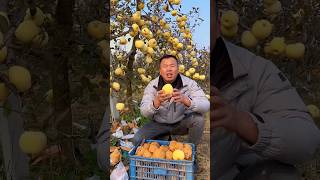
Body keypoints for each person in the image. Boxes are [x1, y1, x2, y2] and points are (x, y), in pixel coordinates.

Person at [210, 5, 320, 179]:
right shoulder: (153, 58)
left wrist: (243, 123)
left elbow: (306, 139)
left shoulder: (253, 70)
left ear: (217, 23)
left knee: (280, 176)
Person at [133, 54, 210, 150]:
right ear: (160, 71)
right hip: (159, 124)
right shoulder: (152, 86)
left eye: (172, 66)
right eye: (165, 66)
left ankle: (191, 150)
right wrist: (155, 103)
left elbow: (206, 105)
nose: (169, 69)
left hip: (181, 123)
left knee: (199, 119)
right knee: (137, 140)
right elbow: (144, 112)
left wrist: (187, 101)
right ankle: (164, 137)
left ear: (178, 69)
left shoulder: (189, 84)